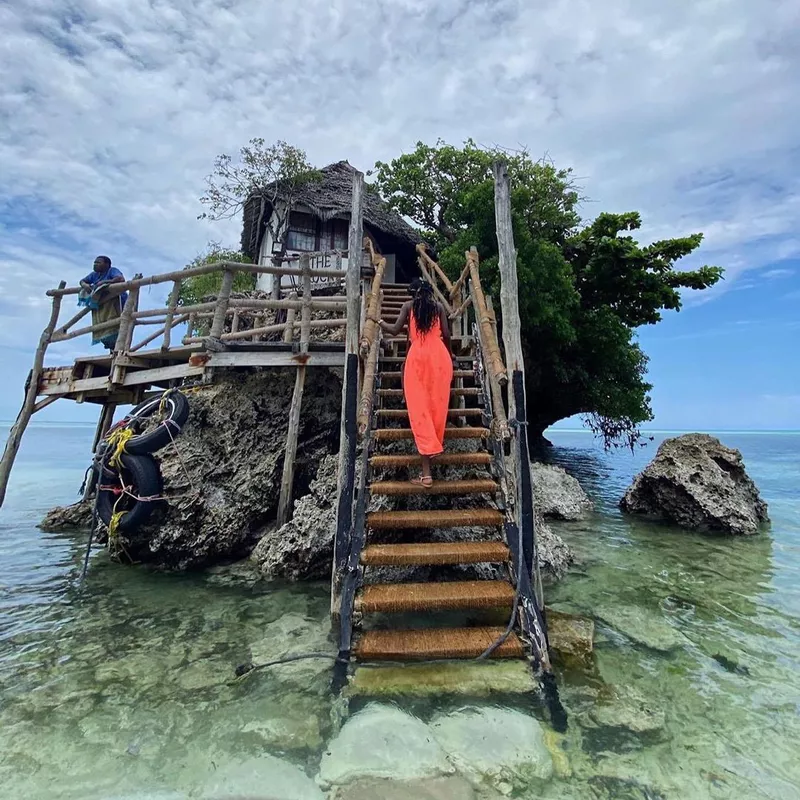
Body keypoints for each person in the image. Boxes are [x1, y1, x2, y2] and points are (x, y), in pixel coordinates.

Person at [379, 279, 454, 487]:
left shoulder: (408, 307)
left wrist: (378, 322)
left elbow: (393, 330)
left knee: (420, 412)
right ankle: (434, 446)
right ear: (430, 292)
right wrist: (450, 355)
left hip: (418, 359)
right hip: (439, 358)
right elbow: (446, 335)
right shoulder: (438, 307)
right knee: (436, 408)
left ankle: (426, 474)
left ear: (412, 293)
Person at [78, 256, 128, 350]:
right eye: (94, 262)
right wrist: (85, 285)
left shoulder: (112, 271)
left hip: (117, 302)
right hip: (102, 305)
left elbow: (120, 279)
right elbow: (82, 281)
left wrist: (105, 282)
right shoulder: (94, 275)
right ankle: (113, 350)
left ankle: (119, 349)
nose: (95, 264)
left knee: (118, 325)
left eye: (98, 262)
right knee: (105, 327)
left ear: (107, 264)